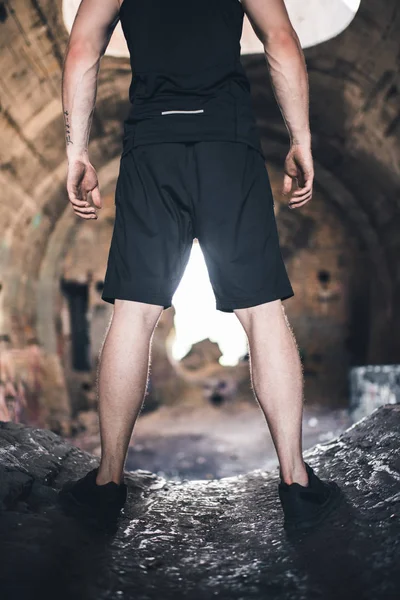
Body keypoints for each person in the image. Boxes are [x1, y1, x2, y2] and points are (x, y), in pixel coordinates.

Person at [59, 0, 341, 531]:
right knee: (262, 313)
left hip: (151, 146)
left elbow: (82, 49)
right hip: (227, 145)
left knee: (134, 313)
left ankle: (107, 483)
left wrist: (77, 153)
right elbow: (281, 40)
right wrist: (301, 140)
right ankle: (297, 484)